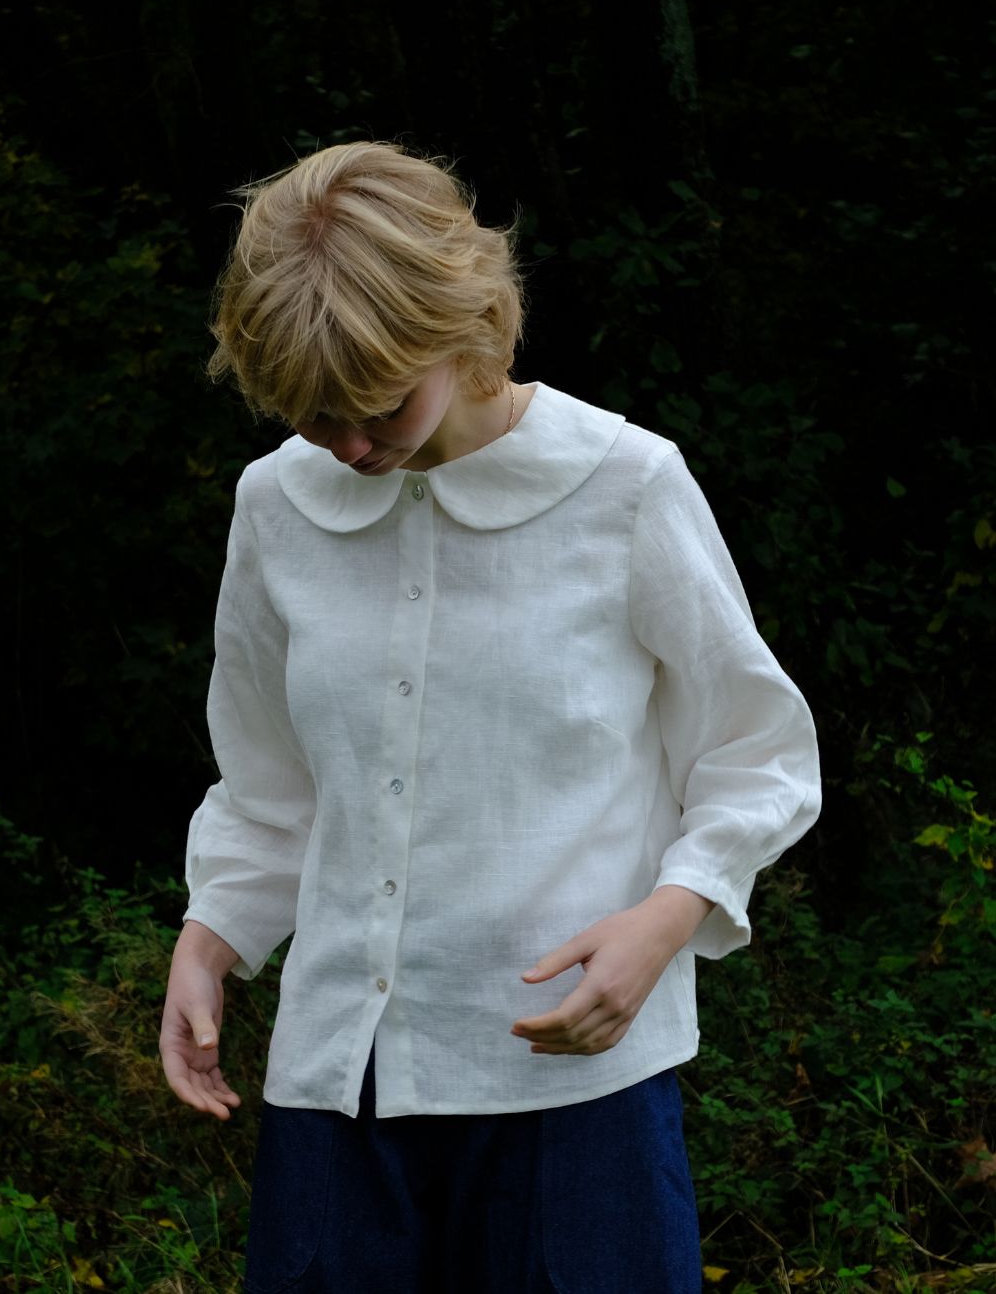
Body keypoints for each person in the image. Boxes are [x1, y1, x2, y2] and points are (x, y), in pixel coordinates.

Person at [159, 140, 822, 1293]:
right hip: (339, 1100)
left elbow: (758, 752)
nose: (351, 448)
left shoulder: (627, 485)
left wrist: (667, 920)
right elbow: (270, 785)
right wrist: (211, 938)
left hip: (577, 1097)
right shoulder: (274, 506)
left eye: (374, 407)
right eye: (315, 420)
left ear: (462, 328)